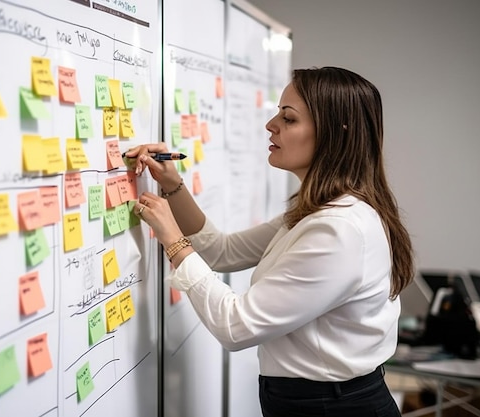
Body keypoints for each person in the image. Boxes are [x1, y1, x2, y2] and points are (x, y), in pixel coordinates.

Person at [123, 66, 414, 417]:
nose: (271, 125)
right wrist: (172, 186)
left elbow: (236, 326)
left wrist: (172, 239)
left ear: (335, 134)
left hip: (334, 408)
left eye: (288, 119)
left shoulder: (339, 230)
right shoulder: (319, 211)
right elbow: (221, 251)